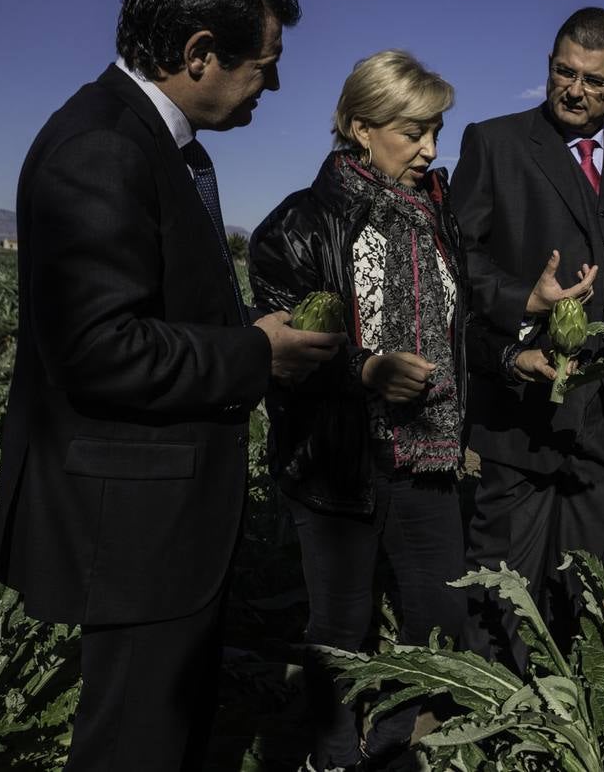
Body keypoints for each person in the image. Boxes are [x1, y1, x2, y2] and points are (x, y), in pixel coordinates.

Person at [0, 0, 346, 771]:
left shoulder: (152, 144)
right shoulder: (104, 147)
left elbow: (158, 307)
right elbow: (100, 349)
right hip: (135, 530)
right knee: (132, 745)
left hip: (162, 525)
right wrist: (256, 355)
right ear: (198, 52)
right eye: (265, 63)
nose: (275, 83)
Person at [450, 7, 604, 671]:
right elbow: (457, 258)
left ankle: (558, 695)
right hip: (525, 394)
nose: (574, 88)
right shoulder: (495, 143)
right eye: (564, 71)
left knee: (582, 572)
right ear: (550, 66)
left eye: (594, 80)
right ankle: (491, 700)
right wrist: (521, 300)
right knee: (504, 569)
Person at [250, 51, 474, 771]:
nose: (431, 149)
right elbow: (282, 352)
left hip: (427, 451)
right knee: (340, 624)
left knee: (436, 615)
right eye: (413, 132)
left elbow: (456, 330)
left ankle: (387, 745)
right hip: (337, 457)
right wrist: (366, 369)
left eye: (437, 130)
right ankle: (331, 755)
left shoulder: (440, 219)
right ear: (358, 127)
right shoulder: (296, 227)